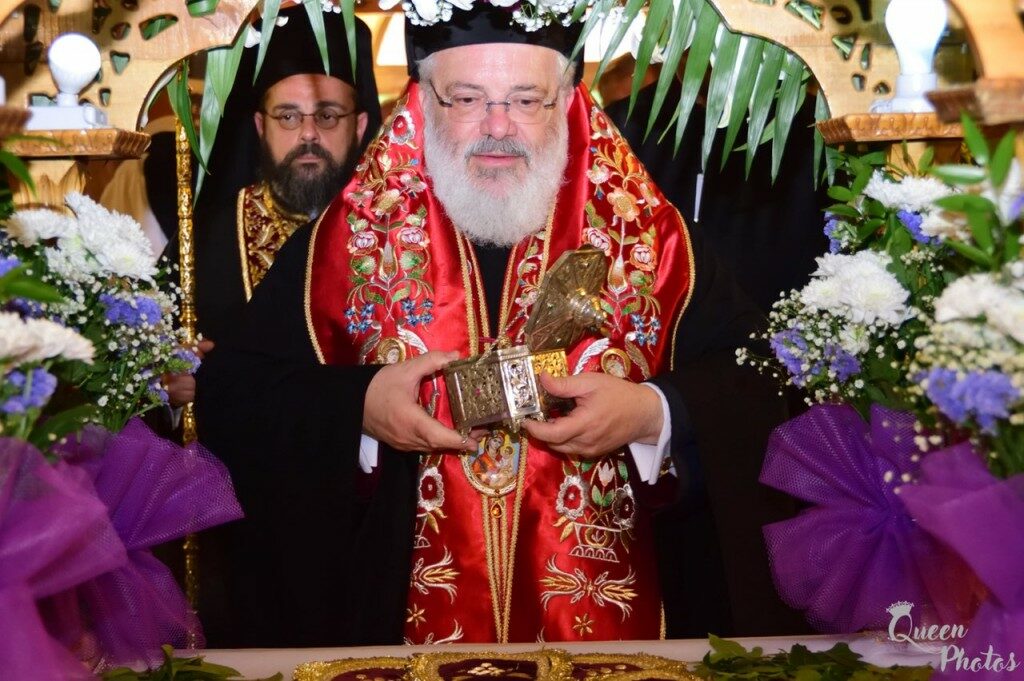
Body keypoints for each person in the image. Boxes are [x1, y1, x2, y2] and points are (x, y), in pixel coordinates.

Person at [197, 5, 776, 647]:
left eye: (526, 100)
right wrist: (358, 407)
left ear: (567, 103)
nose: (498, 128)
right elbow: (233, 394)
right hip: (396, 637)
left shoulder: (655, 242)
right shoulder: (338, 248)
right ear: (423, 103)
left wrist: (653, 414)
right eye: (468, 99)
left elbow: (762, 379)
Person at [170, 4, 382, 344]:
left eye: (327, 116)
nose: (308, 133)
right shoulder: (206, 238)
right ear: (261, 126)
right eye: (288, 116)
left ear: (359, 127)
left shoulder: (396, 231)